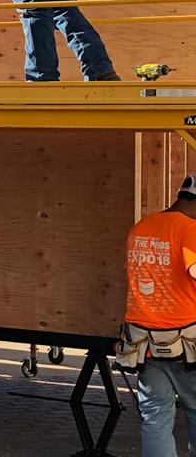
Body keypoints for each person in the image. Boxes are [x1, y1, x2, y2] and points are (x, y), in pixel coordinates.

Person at [122, 175, 196, 455]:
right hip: (187, 345)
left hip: (144, 344)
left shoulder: (140, 227)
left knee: (155, 418)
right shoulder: (190, 230)